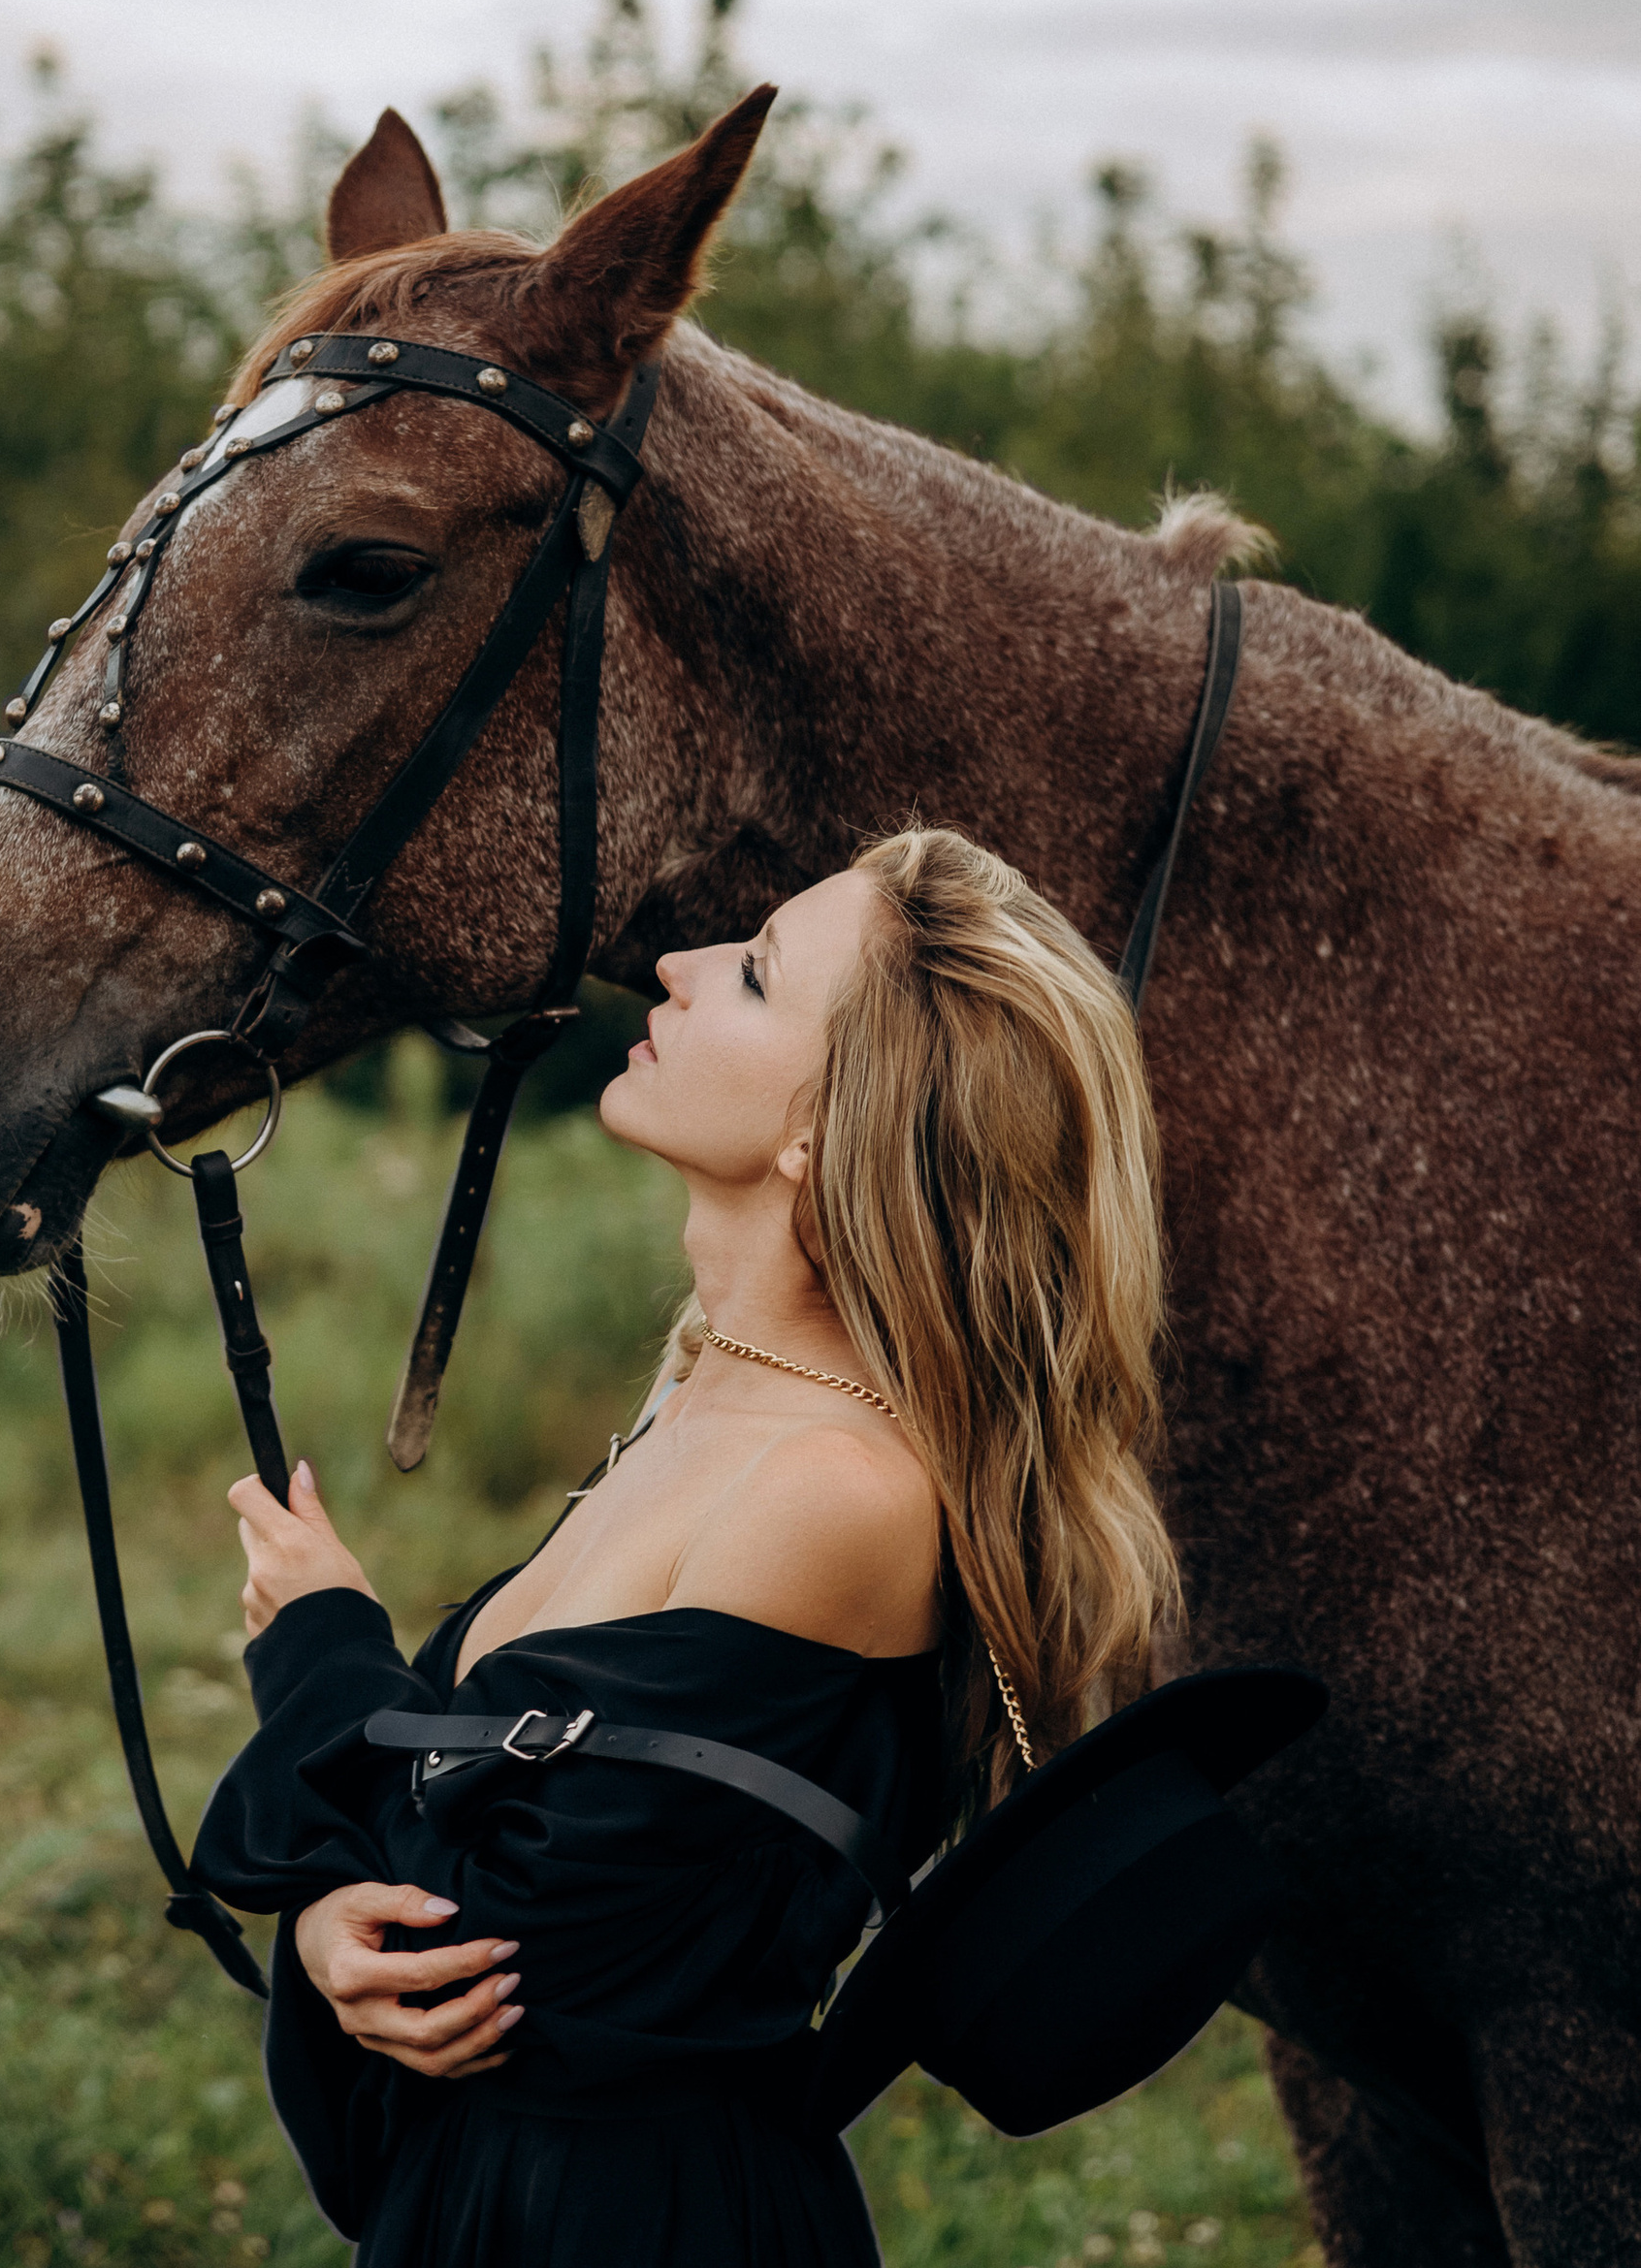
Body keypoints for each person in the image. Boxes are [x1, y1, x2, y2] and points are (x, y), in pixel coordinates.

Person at [190, 828, 1182, 2265]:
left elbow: (506, 1952)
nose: (674, 964)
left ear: (822, 1132)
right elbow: (470, 1830)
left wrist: (325, 1650)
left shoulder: (834, 1491)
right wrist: (338, 1903)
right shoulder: (701, 1397)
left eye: (758, 974)